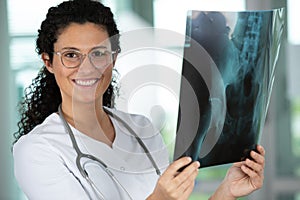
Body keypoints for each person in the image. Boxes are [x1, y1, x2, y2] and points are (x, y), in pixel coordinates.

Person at [13, 0, 265, 199]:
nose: (86, 68)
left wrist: (227, 191)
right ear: (48, 62)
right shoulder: (36, 150)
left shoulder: (142, 130)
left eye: (98, 53)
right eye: (71, 55)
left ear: (114, 57)